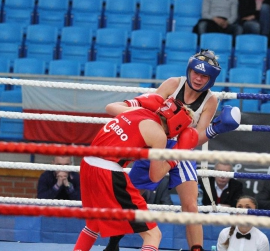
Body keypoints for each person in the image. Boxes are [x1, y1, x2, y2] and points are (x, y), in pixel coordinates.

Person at [104, 49, 241, 251]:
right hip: (156, 141)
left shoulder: (210, 100)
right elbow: (147, 112)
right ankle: (113, 244)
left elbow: (198, 136)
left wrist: (213, 130)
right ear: (189, 70)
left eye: (204, 76)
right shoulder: (172, 84)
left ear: (211, 79)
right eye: (196, 73)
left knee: (190, 206)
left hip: (182, 148)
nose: (198, 78)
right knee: (132, 196)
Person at [73, 95, 199, 251]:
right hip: (108, 171)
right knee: (153, 234)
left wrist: (134, 101)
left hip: (87, 164)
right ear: (177, 125)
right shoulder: (159, 136)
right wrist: (177, 156)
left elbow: (110, 106)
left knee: (93, 224)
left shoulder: (137, 109)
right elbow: (155, 176)